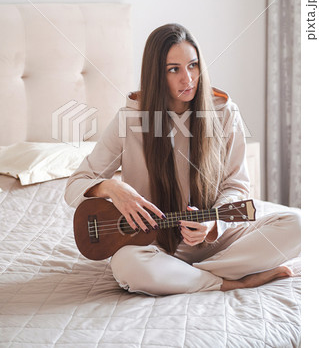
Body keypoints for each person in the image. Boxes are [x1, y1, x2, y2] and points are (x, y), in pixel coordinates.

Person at [65, 23, 300, 295]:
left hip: (217, 241)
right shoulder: (130, 119)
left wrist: (214, 223)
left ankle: (187, 277)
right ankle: (233, 281)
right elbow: (75, 185)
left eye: (193, 65)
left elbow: (236, 185)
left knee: (299, 225)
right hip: (156, 246)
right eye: (173, 69)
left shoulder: (224, 112)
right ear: (156, 74)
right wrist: (112, 188)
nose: (187, 79)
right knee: (127, 264)